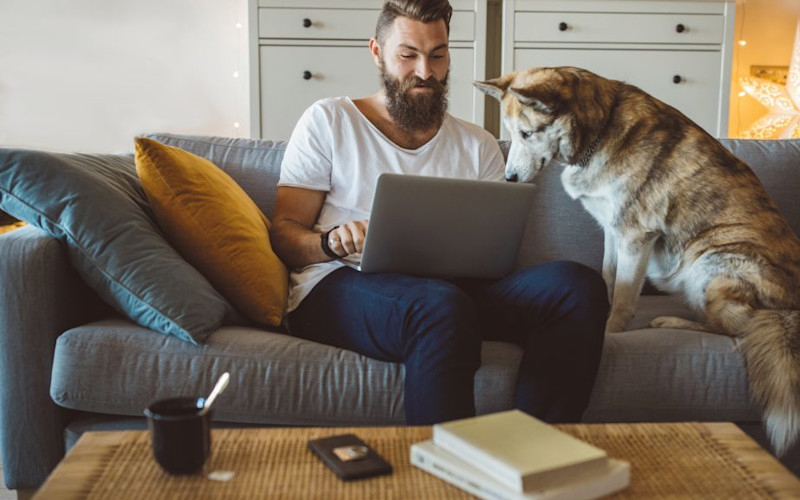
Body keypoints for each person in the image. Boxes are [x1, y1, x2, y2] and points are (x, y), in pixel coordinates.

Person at [270, 0, 609, 425]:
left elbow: (493, 252)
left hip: (453, 293)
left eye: (437, 55)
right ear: (377, 52)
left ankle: (534, 446)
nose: (425, 72)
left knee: (576, 286)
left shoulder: (477, 144)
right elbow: (285, 233)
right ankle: (442, 464)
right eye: (408, 55)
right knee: (439, 306)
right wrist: (330, 242)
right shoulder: (329, 120)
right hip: (341, 283)